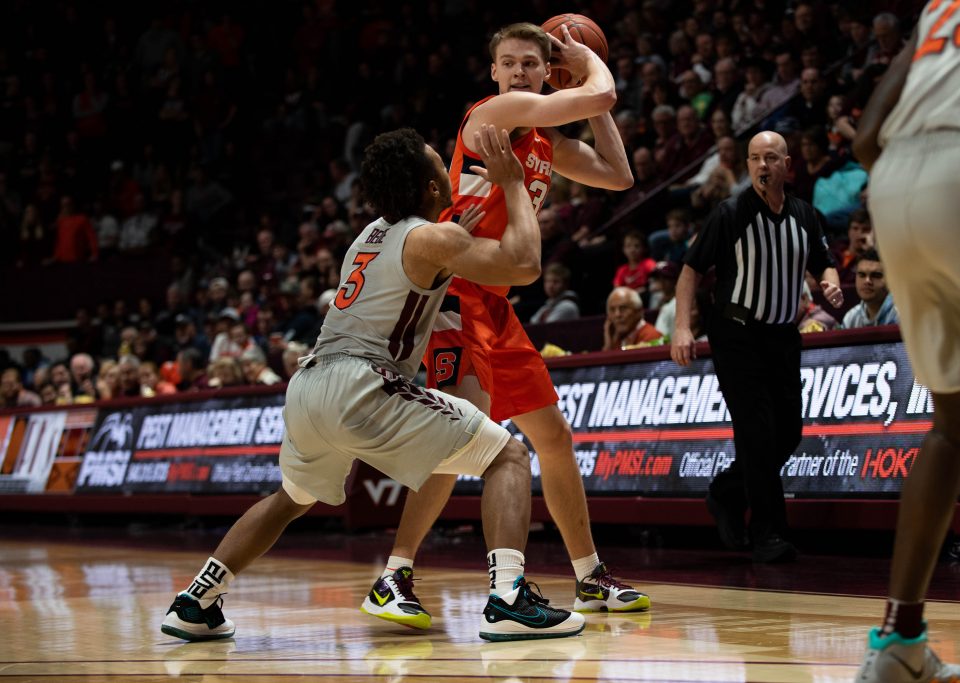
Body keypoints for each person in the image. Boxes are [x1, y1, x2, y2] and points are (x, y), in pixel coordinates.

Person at [162, 125, 585, 643]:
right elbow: (525, 265)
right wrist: (514, 184)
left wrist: (458, 239)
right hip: (363, 383)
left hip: (309, 386)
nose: (446, 164)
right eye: (439, 161)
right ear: (432, 186)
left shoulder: (369, 234)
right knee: (509, 458)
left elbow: (419, 270)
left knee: (291, 498)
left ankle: (197, 599)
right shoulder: (434, 237)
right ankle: (509, 600)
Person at [362, 22, 647, 633]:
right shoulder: (495, 113)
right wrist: (589, 63)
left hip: (498, 305)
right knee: (462, 433)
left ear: (548, 73)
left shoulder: (545, 140)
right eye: (509, 62)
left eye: (531, 64)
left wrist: (588, 87)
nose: (519, 72)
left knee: (553, 437)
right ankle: (395, 574)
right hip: (455, 294)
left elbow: (619, 175)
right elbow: (601, 96)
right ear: (493, 73)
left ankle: (591, 575)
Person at [851, 3, 960, 680]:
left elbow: (867, 135)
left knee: (956, 423)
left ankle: (899, 638)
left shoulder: (944, 6)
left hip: (894, 187)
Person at [670, 131, 844, 563]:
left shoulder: (805, 215)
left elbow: (824, 261)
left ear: (788, 164)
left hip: (783, 337)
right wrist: (681, 328)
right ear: (747, 166)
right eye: (754, 159)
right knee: (757, 434)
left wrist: (831, 283)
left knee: (788, 433)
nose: (762, 166)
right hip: (736, 335)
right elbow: (690, 271)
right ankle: (768, 533)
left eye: (770, 158)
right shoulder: (730, 213)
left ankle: (727, 493)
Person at [841, 248, 898, 329]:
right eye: (862, 275)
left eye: (876, 275)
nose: (867, 281)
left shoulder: (902, 315)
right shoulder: (851, 318)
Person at [603, 286, 662, 351]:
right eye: (612, 310)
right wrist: (608, 344)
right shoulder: (616, 338)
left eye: (623, 308)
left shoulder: (652, 337)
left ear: (639, 311)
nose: (617, 315)